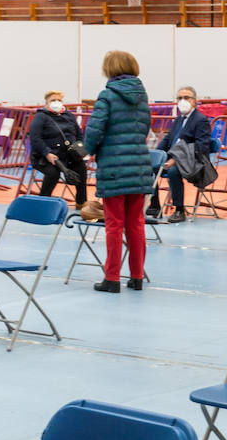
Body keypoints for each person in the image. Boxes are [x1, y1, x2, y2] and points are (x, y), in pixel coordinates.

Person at [83, 51, 153, 294]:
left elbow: (94, 130)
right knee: (137, 224)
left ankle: (112, 277)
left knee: (114, 224)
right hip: (140, 165)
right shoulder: (142, 96)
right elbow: (145, 127)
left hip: (114, 167)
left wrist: (86, 151)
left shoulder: (108, 95)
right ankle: (136, 277)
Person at [147, 85, 213, 223]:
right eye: (180, 98)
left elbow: (201, 147)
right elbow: (167, 140)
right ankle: (154, 206)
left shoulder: (201, 120)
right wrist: (156, 155)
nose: (182, 101)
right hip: (175, 158)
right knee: (149, 168)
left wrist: (176, 160)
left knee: (173, 171)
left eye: (186, 98)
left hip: (194, 161)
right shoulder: (178, 120)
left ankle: (179, 210)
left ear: (194, 101)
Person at [28, 90, 92, 213]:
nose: (56, 102)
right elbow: (35, 138)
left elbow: (79, 135)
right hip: (45, 157)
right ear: (46, 102)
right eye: (53, 100)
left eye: (59, 100)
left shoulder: (69, 116)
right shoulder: (41, 116)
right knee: (53, 173)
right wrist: (47, 153)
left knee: (81, 169)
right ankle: (43, 202)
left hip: (69, 155)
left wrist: (80, 149)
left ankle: (81, 203)